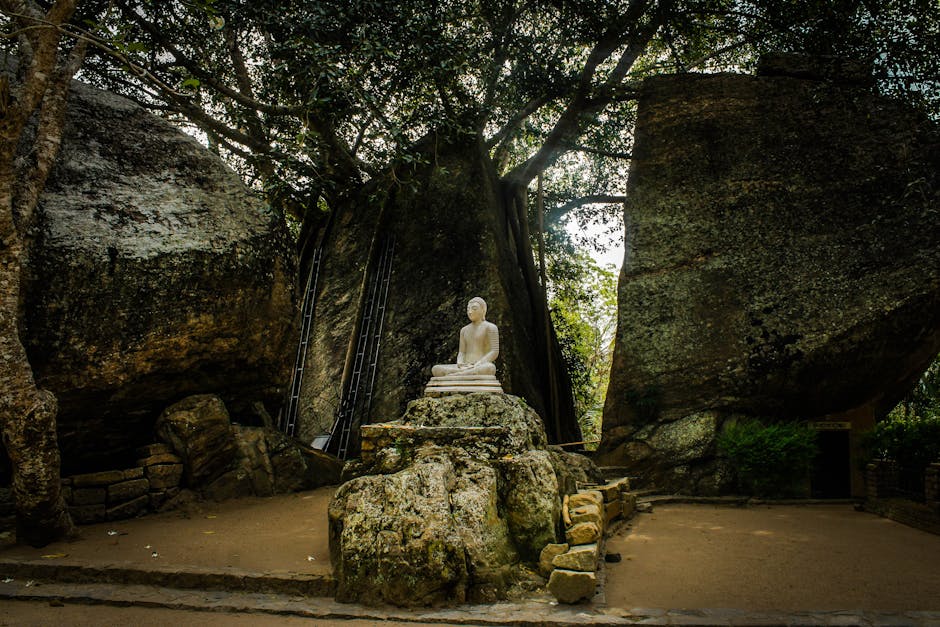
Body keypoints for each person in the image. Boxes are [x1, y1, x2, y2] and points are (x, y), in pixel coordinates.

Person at [431, 297, 499, 378]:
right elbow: (462, 352)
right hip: (465, 366)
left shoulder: (490, 327)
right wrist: (460, 362)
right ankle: (463, 374)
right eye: (468, 309)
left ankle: (456, 376)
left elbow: (494, 351)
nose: (470, 312)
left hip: (480, 366)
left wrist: (480, 363)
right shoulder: (464, 330)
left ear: (483, 310)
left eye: (474, 309)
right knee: (436, 369)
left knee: (490, 368)